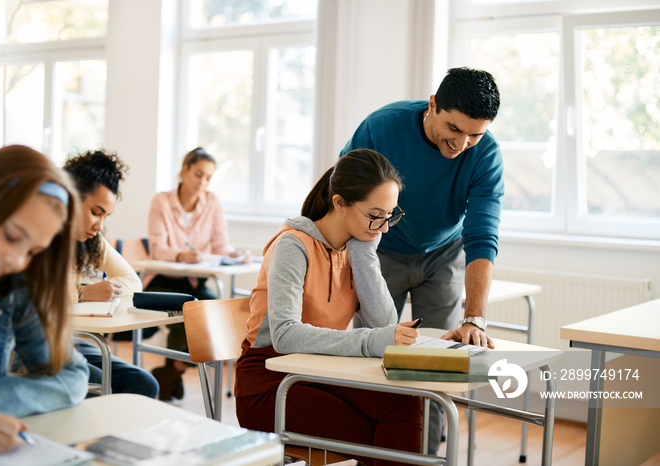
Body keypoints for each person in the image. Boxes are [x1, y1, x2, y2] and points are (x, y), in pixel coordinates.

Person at [340, 66, 503, 454]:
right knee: (372, 352)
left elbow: (481, 236)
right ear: (433, 105)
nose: (462, 143)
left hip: (443, 255)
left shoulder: (486, 154)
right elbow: (343, 195)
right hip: (379, 249)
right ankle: (370, 456)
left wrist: (474, 318)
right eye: (453, 129)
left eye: (474, 134)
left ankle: (425, 459)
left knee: (435, 367)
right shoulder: (381, 127)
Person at [235, 149, 423, 465]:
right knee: (375, 434)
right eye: (376, 215)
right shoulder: (292, 246)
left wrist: (365, 253)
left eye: (390, 214)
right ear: (339, 203)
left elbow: (383, 324)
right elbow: (284, 335)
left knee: (404, 406)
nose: (385, 227)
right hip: (269, 385)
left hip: (318, 372)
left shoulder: (356, 249)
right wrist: (372, 341)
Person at [0, 145, 89, 457]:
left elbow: (71, 376)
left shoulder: (13, 287)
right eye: (12, 236)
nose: (17, 261)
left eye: (33, 252)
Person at [145, 147, 251, 401]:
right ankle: (172, 373)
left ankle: (171, 371)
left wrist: (233, 254)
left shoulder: (212, 202)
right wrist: (181, 255)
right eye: (198, 174)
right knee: (188, 310)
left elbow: (219, 245)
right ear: (184, 170)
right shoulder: (161, 201)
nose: (202, 183)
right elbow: (157, 248)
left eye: (207, 178)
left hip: (195, 280)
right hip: (161, 279)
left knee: (216, 313)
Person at [63, 150, 159, 399]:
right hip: (30, 343)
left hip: (68, 338)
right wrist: (82, 292)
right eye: (96, 212)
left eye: (105, 216)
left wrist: (94, 289)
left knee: (145, 385)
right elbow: (29, 298)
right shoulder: (40, 233)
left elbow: (132, 281)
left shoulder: (91, 239)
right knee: (96, 383)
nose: (100, 226)